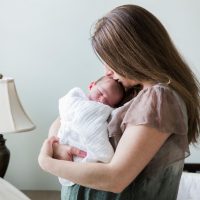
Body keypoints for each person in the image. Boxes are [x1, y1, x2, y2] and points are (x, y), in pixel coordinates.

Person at [38, 4, 200, 200]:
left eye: (111, 60)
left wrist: (47, 162)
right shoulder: (132, 92)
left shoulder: (159, 99)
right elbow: (68, 116)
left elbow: (116, 178)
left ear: (132, 55)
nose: (107, 71)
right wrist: (57, 146)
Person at [56, 76, 124, 186]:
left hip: (81, 155)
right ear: (92, 86)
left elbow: (95, 130)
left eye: (107, 102)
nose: (101, 100)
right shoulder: (74, 100)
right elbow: (63, 115)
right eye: (101, 93)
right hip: (64, 144)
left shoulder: (102, 111)